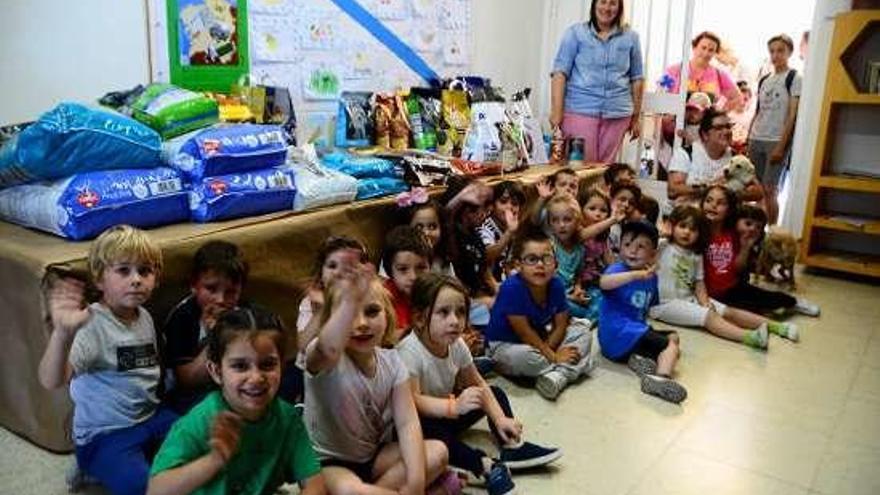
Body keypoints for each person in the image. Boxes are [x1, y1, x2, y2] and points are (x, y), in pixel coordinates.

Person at [38, 225, 177, 495]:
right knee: (142, 486)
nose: (136, 279)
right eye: (123, 270)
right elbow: (51, 380)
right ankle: (90, 467)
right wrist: (63, 335)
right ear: (100, 280)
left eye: (145, 271)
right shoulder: (92, 324)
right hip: (105, 435)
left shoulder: (144, 316)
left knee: (201, 436)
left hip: (149, 418)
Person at [399, 273, 561, 493]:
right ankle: (483, 465)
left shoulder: (456, 344)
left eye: (460, 312)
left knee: (493, 392)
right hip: (420, 424)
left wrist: (499, 418)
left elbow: (478, 383)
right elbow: (413, 402)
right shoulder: (409, 352)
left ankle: (511, 445)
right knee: (428, 429)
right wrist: (452, 407)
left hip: (448, 412)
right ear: (419, 318)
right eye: (443, 313)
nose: (455, 321)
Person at [303, 254, 451, 494]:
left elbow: (406, 423)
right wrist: (349, 300)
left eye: (371, 312)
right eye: (349, 315)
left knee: (438, 452)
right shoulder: (327, 356)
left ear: (388, 316)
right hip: (326, 464)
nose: (361, 323)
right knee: (351, 490)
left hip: (372, 457)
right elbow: (326, 348)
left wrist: (415, 483)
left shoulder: (393, 363)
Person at [147, 308, 325, 495]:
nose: (256, 377)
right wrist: (214, 460)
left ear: (282, 365)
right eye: (240, 366)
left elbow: (315, 484)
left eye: (267, 365)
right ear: (216, 371)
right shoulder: (201, 421)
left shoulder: (287, 418)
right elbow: (156, 489)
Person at [649, 205, 798, 349]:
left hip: (689, 298)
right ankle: (750, 337)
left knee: (728, 311)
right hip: (664, 304)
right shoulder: (663, 246)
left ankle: (778, 327)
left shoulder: (696, 254)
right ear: (672, 226)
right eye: (682, 226)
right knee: (708, 316)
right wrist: (663, 233)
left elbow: (699, 283)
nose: (687, 232)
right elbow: (648, 245)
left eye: (693, 229)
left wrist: (705, 302)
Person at [484, 226, 594, 401]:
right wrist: (554, 356)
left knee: (583, 332)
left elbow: (561, 324)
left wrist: (550, 350)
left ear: (555, 265)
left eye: (547, 258)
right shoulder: (512, 288)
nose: (540, 265)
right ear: (518, 265)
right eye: (532, 259)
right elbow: (525, 333)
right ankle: (570, 368)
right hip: (505, 345)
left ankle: (558, 376)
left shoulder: (556, 285)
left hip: (542, 339)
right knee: (526, 359)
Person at [598, 221, 687, 404]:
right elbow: (603, 283)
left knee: (674, 337)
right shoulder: (617, 270)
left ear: (652, 254)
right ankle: (660, 379)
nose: (632, 251)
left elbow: (648, 308)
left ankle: (636, 360)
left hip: (631, 334)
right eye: (627, 245)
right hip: (617, 334)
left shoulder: (651, 278)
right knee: (669, 346)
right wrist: (635, 275)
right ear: (619, 247)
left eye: (641, 247)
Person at [701, 185, 819, 317]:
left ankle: (794, 302)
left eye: (720, 203)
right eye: (709, 200)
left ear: (729, 210)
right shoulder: (698, 231)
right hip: (708, 293)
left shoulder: (731, 234)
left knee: (764, 297)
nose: (713, 206)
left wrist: (746, 247)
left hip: (732, 288)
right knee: (747, 311)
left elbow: (738, 268)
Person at [550, 0, 644, 163]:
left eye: (613, 3)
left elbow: (637, 78)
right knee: (579, 167)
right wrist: (556, 112)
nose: (607, 8)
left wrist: (636, 118)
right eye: (603, 2)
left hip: (618, 114)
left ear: (620, 7)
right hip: (580, 111)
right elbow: (560, 73)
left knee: (604, 170)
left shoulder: (631, 38)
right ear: (594, 5)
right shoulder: (575, 33)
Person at [162, 240, 251, 413]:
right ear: (194, 285)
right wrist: (216, 336)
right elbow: (186, 380)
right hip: (192, 395)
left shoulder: (246, 312)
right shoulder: (183, 317)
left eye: (231, 292)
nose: (220, 300)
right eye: (211, 289)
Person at [748, 34, 802, 225]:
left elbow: (792, 114)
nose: (775, 55)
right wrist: (749, 136)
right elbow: (758, 110)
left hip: (776, 139)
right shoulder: (765, 79)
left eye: (780, 51)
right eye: (772, 51)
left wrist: (781, 146)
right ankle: (756, 229)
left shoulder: (794, 77)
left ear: (789, 52)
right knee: (755, 189)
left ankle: (772, 232)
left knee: (771, 189)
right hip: (757, 138)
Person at [668, 108, 764, 203]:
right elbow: (673, 191)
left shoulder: (736, 158)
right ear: (705, 134)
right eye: (719, 128)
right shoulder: (686, 153)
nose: (726, 132)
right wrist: (712, 187)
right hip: (689, 214)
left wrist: (728, 192)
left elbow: (758, 193)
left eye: (728, 127)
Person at [663, 31, 743, 111]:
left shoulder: (720, 75)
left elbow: (738, 98)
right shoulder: (673, 71)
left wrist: (721, 110)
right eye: (703, 48)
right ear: (694, 47)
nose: (706, 53)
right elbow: (660, 93)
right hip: (676, 122)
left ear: (715, 53)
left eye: (711, 50)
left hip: (706, 123)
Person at [577, 188, 623, 321]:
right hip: (579, 282)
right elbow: (585, 234)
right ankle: (585, 323)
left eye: (603, 211)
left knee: (616, 298)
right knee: (601, 304)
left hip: (595, 280)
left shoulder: (602, 238)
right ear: (580, 210)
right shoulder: (578, 232)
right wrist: (612, 220)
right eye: (592, 208)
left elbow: (610, 263)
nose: (598, 214)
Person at [380, 225, 431, 339]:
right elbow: (388, 340)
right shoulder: (383, 299)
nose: (413, 277)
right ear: (390, 271)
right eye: (403, 269)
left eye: (421, 267)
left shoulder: (433, 293)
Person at [545, 194, 589, 319]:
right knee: (564, 306)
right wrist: (571, 298)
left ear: (577, 221)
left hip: (570, 295)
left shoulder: (579, 249)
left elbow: (578, 275)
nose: (561, 225)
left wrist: (578, 288)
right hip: (552, 296)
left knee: (600, 298)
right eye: (555, 220)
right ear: (549, 223)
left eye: (567, 220)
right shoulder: (550, 247)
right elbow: (544, 287)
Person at [479, 180, 525, 282]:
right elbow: (487, 254)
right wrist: (509, 232)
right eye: (503, 202)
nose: (509, 207)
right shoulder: (485, 226)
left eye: (515, 203)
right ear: (492, 205)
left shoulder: (515, 226)